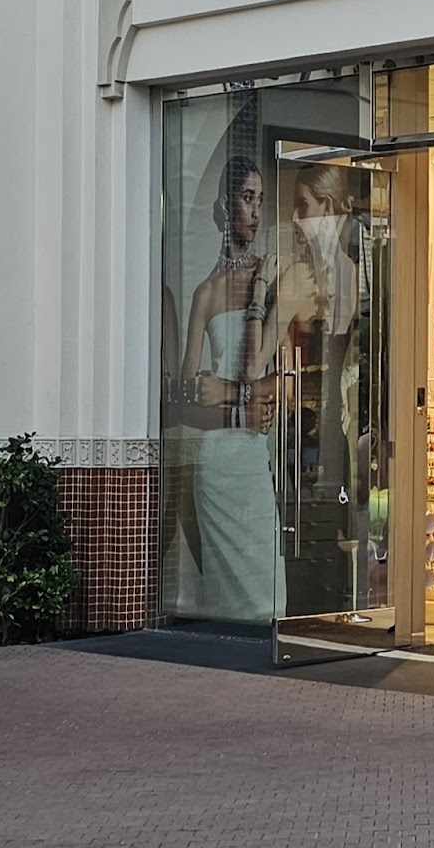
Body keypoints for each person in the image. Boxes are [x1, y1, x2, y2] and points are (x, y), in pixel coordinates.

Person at [179, 154, 287, 623]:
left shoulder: (271, 277)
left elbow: (282, 381)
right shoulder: (205, 293)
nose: (256, 211)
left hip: (252, 459)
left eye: (260, 200)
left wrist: (226, 391)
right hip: (216, 461)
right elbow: (186, 396)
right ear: (226, 206)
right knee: (224, 599)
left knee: (268, 590)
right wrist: (241, 401)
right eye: (247, 198)